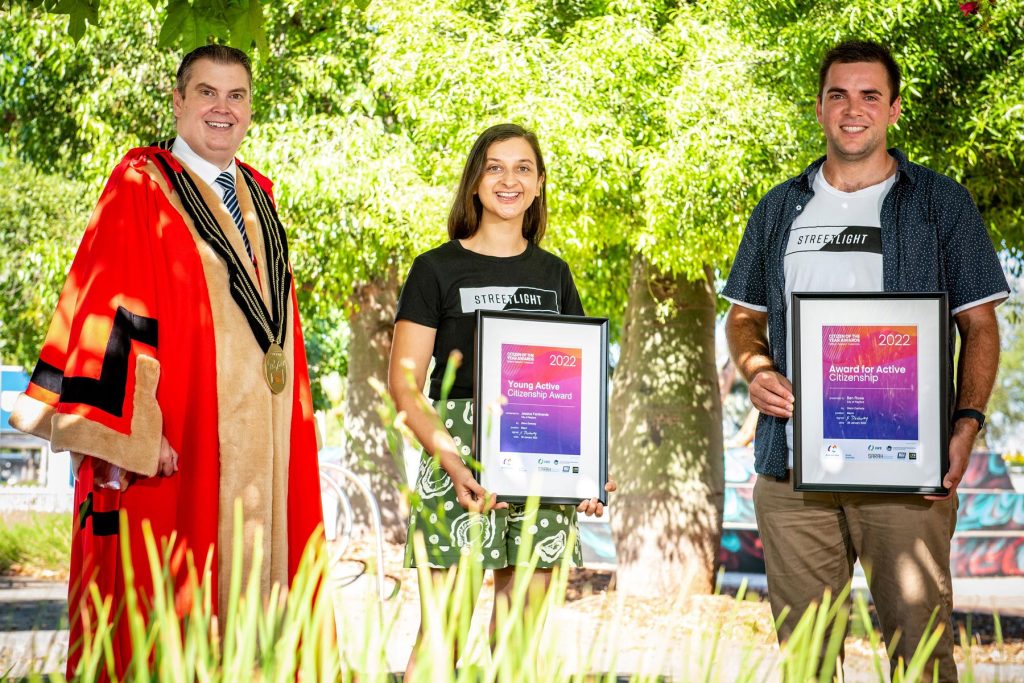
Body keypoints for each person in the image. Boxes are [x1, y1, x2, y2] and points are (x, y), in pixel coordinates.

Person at [9, 45, 323, 676]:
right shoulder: (142, 187)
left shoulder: (258, 195)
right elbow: (112, 301)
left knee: (260, 611)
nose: (221, 109)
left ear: (251, 110)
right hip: (182, 433)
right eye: (206, 93)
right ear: (179, 102)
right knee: (167, 609)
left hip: (263, 438)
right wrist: (135, 427)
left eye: (236, 96)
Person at [723, 40, 1007, 681]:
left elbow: (980, 327)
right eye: (839, 95)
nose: (854, 109)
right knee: (806, 662)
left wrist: (965, 425)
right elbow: (743, 318)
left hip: (908, 476)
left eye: (870, 95)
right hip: (792, 471)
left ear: (894, 110)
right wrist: (757, 369)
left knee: (922, 660)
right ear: (820, 108)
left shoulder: (942, 203)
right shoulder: (779, 208)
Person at [388, 123, 614, 670]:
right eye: (495, 166)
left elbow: (573, 383)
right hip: (458, 455)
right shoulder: (434, 269)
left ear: (538, 185)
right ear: (475, 182)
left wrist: (586, 469)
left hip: (542, 455)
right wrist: (450, 458)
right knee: (443, 635)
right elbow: (404, 384)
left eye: (523, 168)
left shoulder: (554, 274)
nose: (508, 179)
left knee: (519, 645)